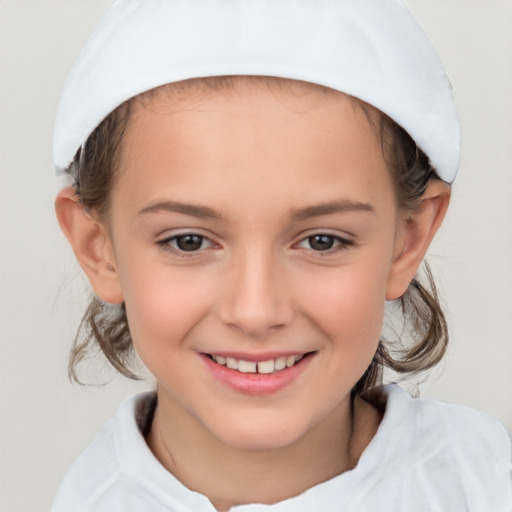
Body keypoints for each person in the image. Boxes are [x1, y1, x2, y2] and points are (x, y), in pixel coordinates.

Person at [51, 0, 512, 510]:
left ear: (408, 239)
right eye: (188, 241)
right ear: (100, 249)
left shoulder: (486, 482)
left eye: (322, 241)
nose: (256, 311)